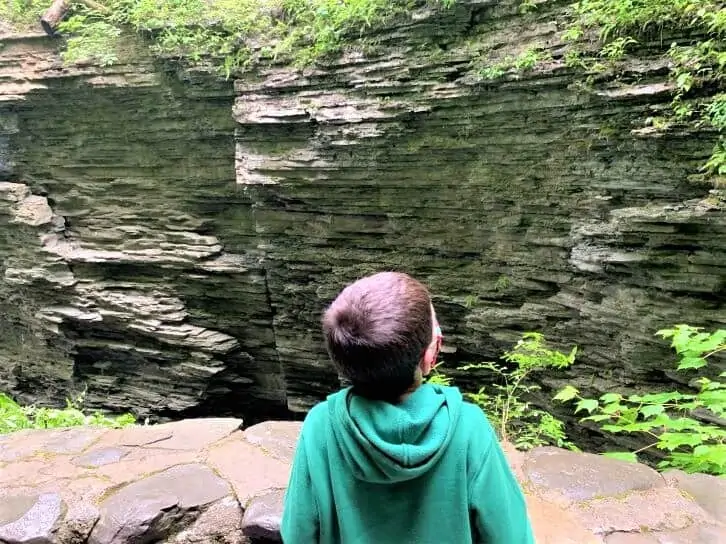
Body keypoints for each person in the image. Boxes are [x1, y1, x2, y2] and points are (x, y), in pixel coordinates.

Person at [280, 271, 535, 543]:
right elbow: (511, 535)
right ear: (431, 355)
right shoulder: (468, 427)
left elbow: (298, 533)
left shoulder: (321, 427)